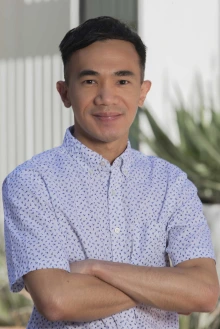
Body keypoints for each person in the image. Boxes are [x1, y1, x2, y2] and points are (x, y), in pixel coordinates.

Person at [2, 16, 219, 329]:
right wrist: (166, 287)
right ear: (64, 93)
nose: (106, 97)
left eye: (122, 81)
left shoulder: (172, 184)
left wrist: (94, 269)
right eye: (90, 81)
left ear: (142, 92)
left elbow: (204, 293)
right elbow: (57, 301)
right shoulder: (32, 183)